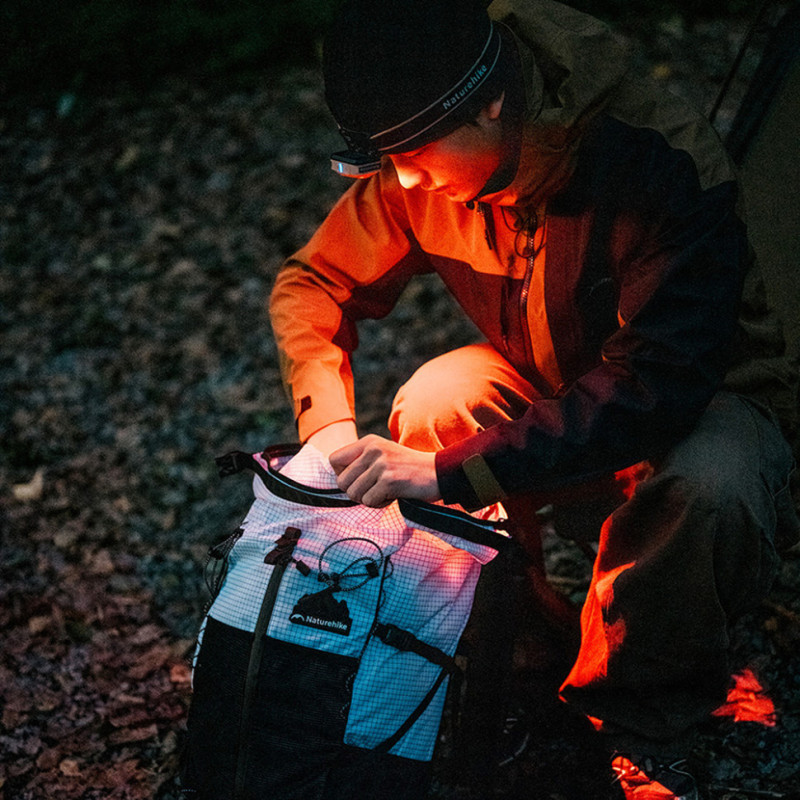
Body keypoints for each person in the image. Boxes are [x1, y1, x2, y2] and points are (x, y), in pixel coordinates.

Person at [269, 0, 800, 797]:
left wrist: (448, 474)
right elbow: (315, 281)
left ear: (492, 103)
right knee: (439, 399)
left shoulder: (655, 158)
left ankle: (639, 715)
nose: (403, 180)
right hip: (555, 382)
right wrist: (329, 428)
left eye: (413, 154)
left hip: (702, 399)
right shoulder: (420, 157)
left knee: (710, 485)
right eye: (386, 159)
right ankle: (518, 648)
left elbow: (656, 387)